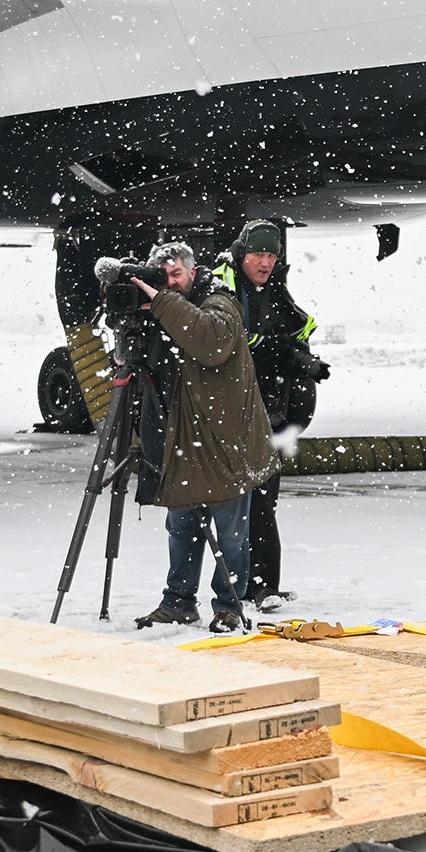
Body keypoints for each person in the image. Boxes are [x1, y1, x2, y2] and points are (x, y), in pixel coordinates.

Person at [122, 239, 275, 632]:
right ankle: (178, 602)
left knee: (230, 533)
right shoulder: (162, 308)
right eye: (164, 276)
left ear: (192, 271)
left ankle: (229, 605)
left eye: (177, 274)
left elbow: (211, 342)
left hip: (227, 440)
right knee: (182, 528)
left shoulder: (219, 301)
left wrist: (161, 302)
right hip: (183, 440)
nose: (171, 283)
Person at [216, 220, 325, 611]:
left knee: (263, 500)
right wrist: (279, 350)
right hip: (233, 413)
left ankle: (261, 584)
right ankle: (242, 586)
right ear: (242, 254)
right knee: (236, 505)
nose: (265, 262)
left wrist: (302, 359)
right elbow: (230, 342)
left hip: (271, 414)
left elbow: (295, 328)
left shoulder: (274, 290)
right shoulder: (223, 287)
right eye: (258, 254)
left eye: (271, 255)